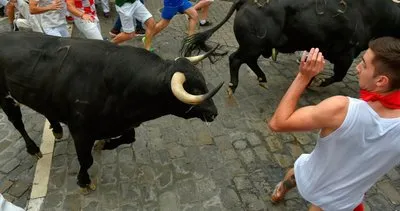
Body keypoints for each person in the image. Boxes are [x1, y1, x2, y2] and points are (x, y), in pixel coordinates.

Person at [267, 37, 400, 211]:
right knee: (297, 173)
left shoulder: (341, 108)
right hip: (342, 198)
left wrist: (303, 76)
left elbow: (278, 123)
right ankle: (283, 188)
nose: (357, 68)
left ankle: (282, 189)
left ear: (381, 81)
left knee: (297, 175)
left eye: (364, 64)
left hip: (325, 190)